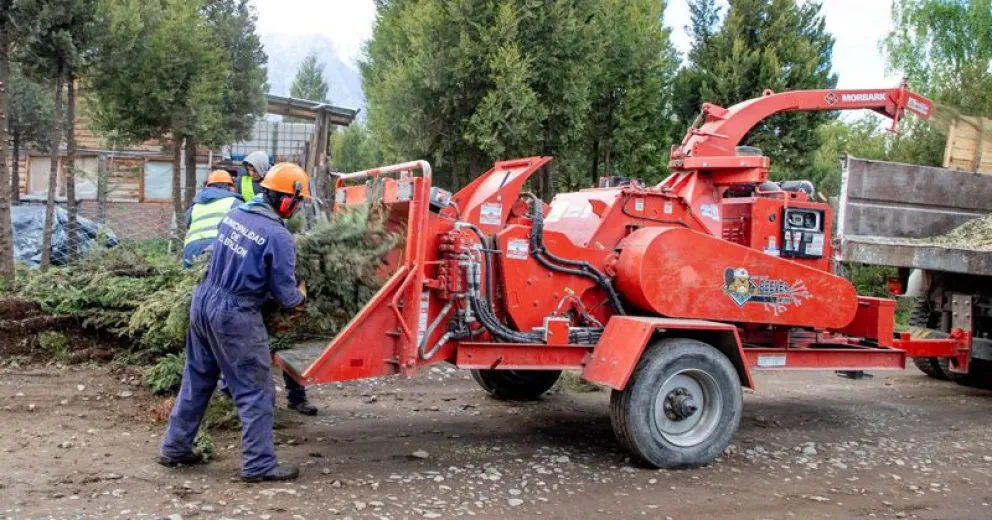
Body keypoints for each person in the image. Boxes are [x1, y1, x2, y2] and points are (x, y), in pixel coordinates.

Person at [160, 163, 312, 482]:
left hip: (204, 300)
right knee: (256, 390)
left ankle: (175, 447)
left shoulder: (237, 214)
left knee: (197, 378)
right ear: (286, 200)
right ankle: (258, 464)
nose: (296, 209)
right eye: (297, 203)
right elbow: (286, 296)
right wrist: (302, 298)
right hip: (235, 314)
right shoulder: (279, 236)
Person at [182, 170, 243, 268]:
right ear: (231, 188)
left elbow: (187, 222)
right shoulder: (234, 202)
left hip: (191, 247)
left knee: (190, 281)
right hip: (217, 246)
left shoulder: (195, 205)